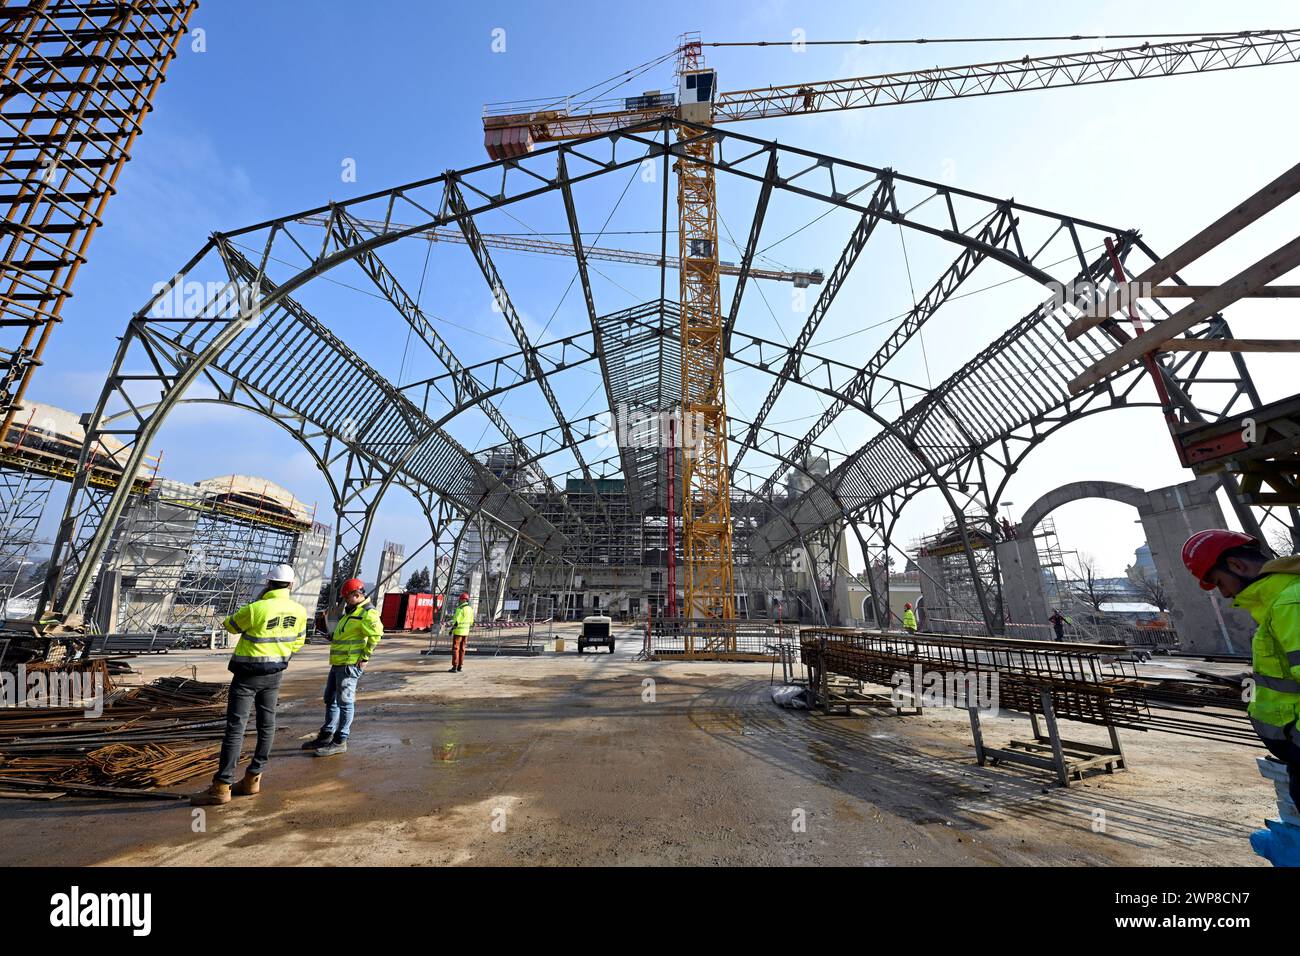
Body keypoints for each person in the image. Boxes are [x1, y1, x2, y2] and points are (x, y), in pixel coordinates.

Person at [1183, 529, 1300, 810]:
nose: (1223, 593)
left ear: (1236, 565)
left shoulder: (1289, 603)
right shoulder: (1277, 602)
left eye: (1220, 582)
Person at [191, 564, 308, 806]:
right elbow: (297, 644)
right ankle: (253, 778)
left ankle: (222, 786)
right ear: (291, 585)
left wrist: (257, 602)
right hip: (275, 674)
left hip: (246, 677)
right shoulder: (299, 611)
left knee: (236, 728)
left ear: (268, 583)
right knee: (267, 725)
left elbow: (230, 626)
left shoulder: (257, 608)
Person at [303, 577, 383, 757]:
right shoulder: (351, 611)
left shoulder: (368, 613)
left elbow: (376, 635)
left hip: (349, 665)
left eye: (347, 597)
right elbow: (348, 635)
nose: (345, 600)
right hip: (338, 664)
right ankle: (326, 735)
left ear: (357, 595)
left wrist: (365, 657)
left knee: (345, 703)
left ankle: (340, 740)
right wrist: (333, 636)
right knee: (330, 698)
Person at [448, 592, 475, 672]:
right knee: (462, 649)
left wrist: (451, 629)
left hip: (458, 632)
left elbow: (456, 622)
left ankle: (455, 666)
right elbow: (471, 622)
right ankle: (460, 666)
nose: (459, 601)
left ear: (463, 600)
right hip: (466, 632)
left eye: (460, 599)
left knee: (456, 649)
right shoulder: (470, 609)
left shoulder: (460, 609)